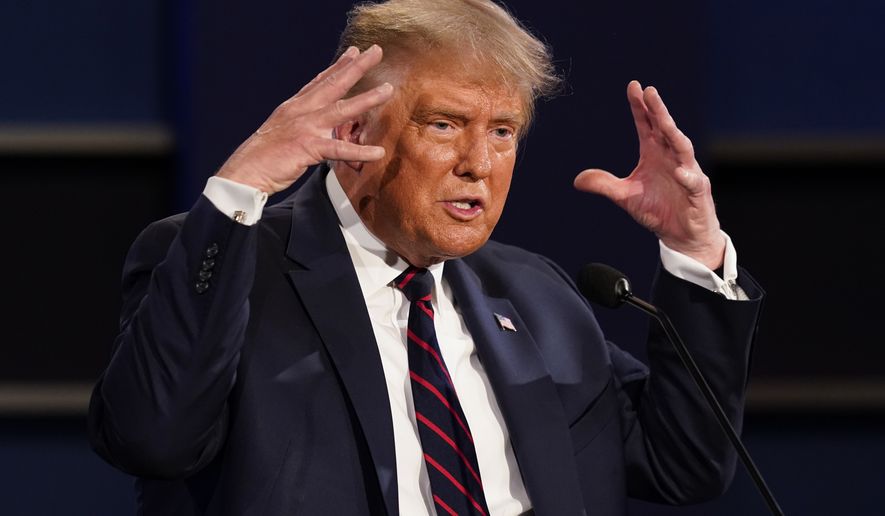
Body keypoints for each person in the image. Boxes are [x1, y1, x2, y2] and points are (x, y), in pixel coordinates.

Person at [88, 0, 764, 515]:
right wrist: (241, 191)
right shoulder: (231, 263)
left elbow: (684, 465)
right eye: (443, 124)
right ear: (353, 132)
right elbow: (151, 440)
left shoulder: (535, 295)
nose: (478, 163)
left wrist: (693, 250)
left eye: (501, 132)